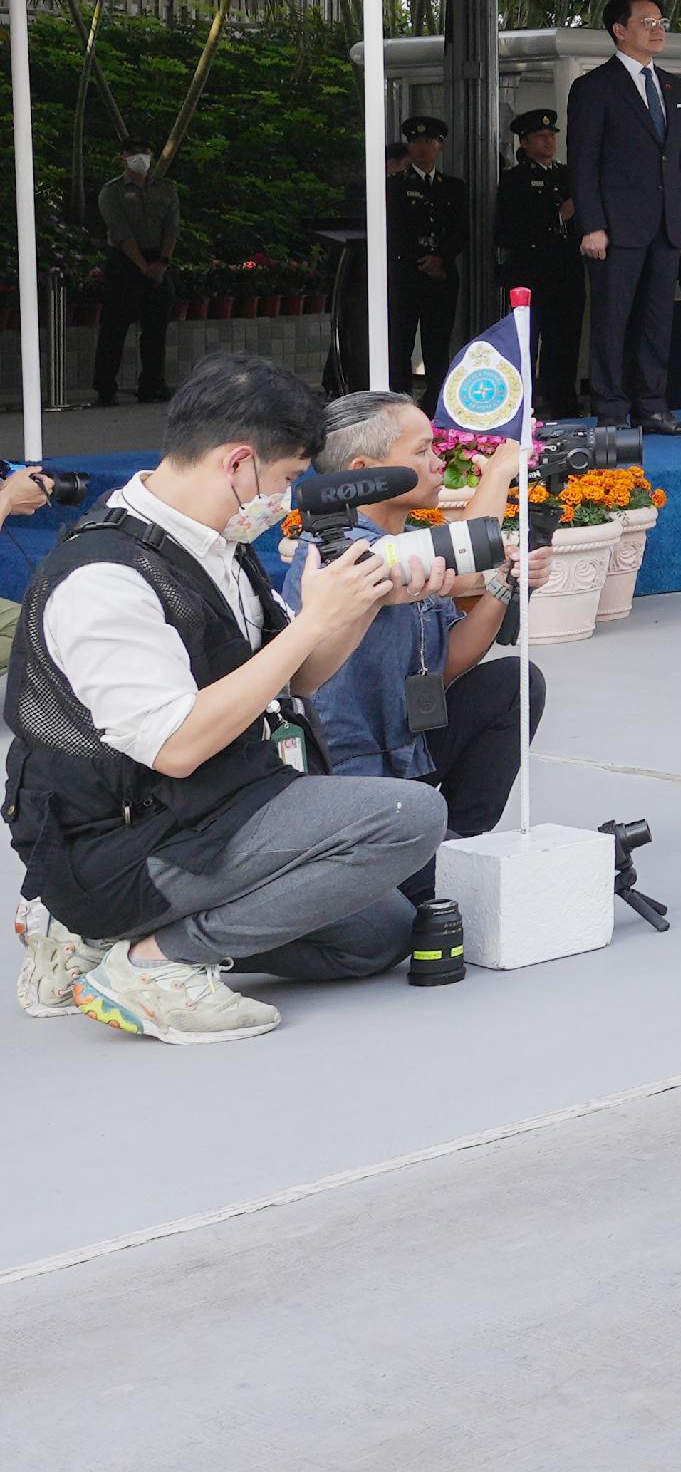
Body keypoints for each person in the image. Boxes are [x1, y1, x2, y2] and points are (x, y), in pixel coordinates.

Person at [5, 355, 448, 1044]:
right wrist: (312, 620)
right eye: (288, 479)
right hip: (119, 843)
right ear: (238, 462)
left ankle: (97, 944)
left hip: (209, 804)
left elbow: (297, 678)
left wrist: (361, 605)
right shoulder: (104, 578)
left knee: (374, 936)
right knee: (409, 816)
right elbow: (177, 747)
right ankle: (152, 962)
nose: (287, 498)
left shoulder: (217, 541)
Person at [287, 391, 545, 846]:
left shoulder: (406, 542)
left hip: (410, 751)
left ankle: (461, 843)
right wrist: (502, 470)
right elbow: (469, 552)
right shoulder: (338, 554)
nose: (438, 461)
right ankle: (430, 862)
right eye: (422, 450)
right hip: (348, 779)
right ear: (363, 474)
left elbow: (448, 663)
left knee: (516, 682)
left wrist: (505, 582)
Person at [565, 0, 681, 437]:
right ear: (619, 30)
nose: (658, 29)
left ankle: (652, 406)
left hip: (665, 226)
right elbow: (583, 162)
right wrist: (592, 225)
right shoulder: (594, 87)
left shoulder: (676, 88)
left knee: (658, 319)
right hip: (615, 228)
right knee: (611, 320)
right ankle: (609, 410)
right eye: (647, 22)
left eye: (661, 21)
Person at [491, 108, 583, 419]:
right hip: (531, 269)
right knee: (526, 340)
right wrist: (558, 216)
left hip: (566, 269)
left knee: (565, 339)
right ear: (525, 142)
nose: (548, 141)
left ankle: (562, 401)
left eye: (551, 136)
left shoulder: (566, 174)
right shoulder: (515, 179)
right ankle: (525, 403)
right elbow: (509, 227)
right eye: (540, 137)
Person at [90, 141, 180, 407]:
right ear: (124, 158)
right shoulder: (112, 192)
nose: (140, 158)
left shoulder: (165, 190)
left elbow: (172, 229)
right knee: (114, 329)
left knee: (156, 329)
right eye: (133, 153)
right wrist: (143, 267)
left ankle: (153, 384)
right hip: (124, 264)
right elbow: (121, 233)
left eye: (144, 153)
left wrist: (162, 262)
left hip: (158, 260)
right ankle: (105, 388)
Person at [386, 113, 463, 404]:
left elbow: (460, 231)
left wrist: (440, 258)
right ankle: (400, 402)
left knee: (437, 344)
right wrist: (417, 260)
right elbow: (393, 230)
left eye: (429, 141)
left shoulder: (453, 186)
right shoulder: (395, 186)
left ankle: (436, 402)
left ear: (440, 146)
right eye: (416, 141)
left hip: (441, 276)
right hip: (406, 274)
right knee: (401, 343)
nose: (422, 146)